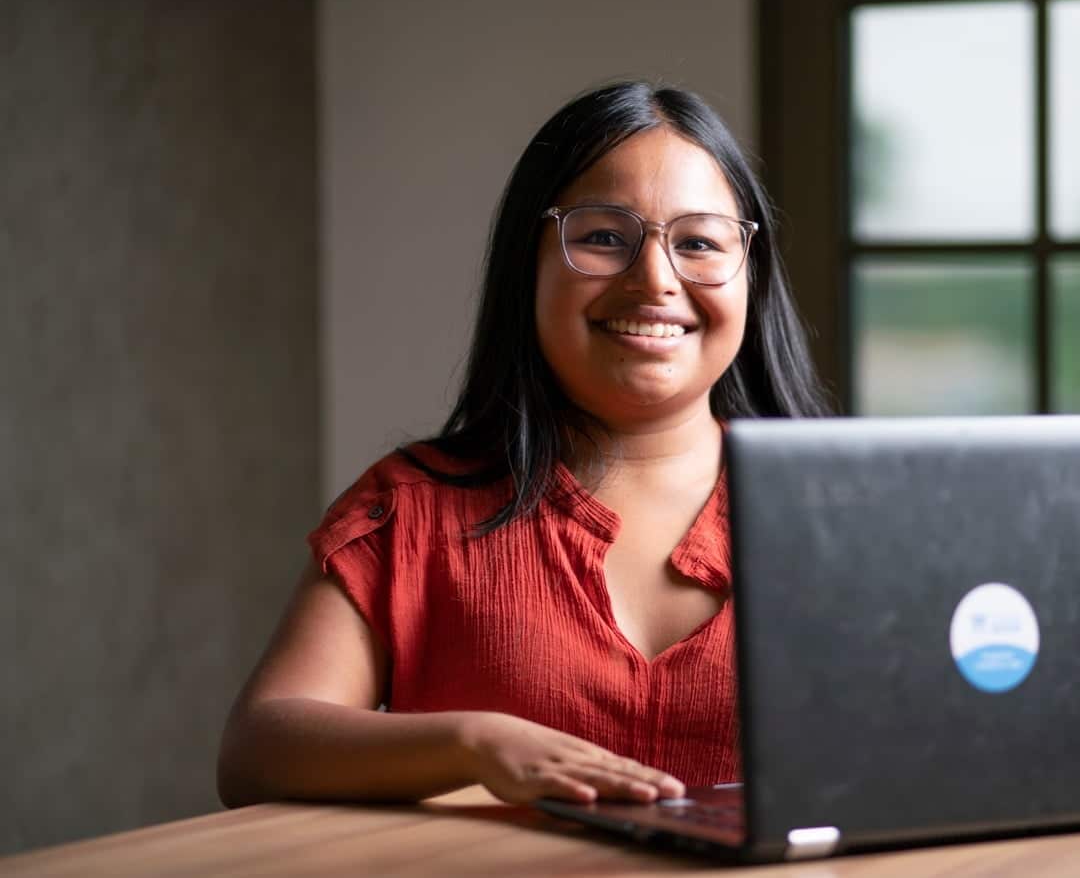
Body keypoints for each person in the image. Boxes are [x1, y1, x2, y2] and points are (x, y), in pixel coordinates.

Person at [216, 81, 831, 810]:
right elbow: (258, 750)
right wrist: (471, 743)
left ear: (751, 275)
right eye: (604, 237)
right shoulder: (412, 508)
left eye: (698, 243)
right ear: (528, 265)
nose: (655, 280)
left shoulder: (836, 510)